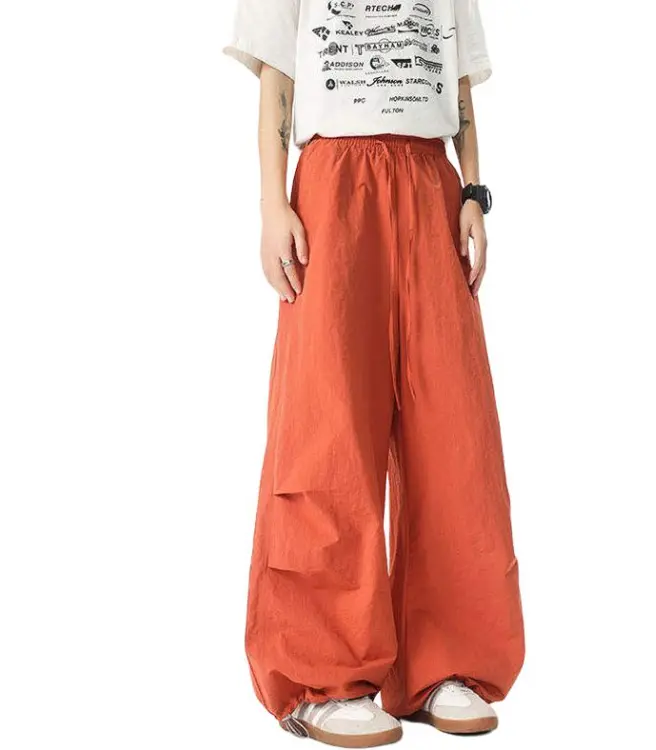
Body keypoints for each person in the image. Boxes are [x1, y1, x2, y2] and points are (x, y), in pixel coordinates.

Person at [223, 1, 524, 746]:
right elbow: (276, 78)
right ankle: (322, 675)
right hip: (333, 182)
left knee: (452, 426)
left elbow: (459, 86)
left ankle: (446, 662)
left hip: (430, 183)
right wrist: (272, 204)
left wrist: (473, 193)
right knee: (327, 423)